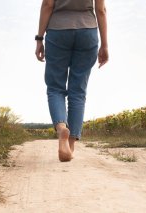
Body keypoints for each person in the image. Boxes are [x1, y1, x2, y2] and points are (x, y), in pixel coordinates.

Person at [35, 0, 108, 162]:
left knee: (55, 88)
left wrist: (39, 39)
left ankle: (61, 127)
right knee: (78, 91)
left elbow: (47, 4)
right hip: (87, 31)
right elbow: (101, 10)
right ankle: (70, 145)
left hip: (57, 31)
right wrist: (104, 45)